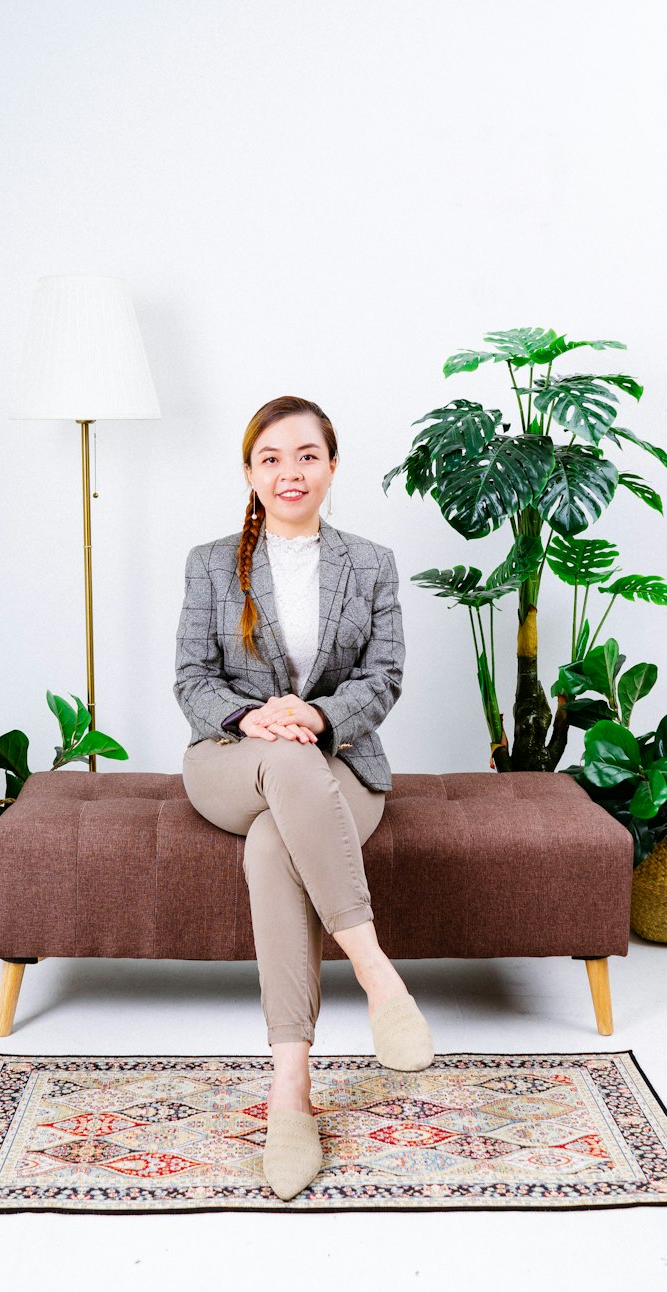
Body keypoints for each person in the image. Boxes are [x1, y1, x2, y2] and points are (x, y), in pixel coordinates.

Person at [173, 394, 434, 1201]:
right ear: (250, 472)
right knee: (279, 765)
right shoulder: (211, 562)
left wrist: (315, 715)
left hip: (342, 767)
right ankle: (377, 972)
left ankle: (290, 1089)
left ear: (331, 464)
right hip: (228, 760)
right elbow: (191, 680)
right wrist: (255, 716)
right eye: (271, 458)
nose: (291, 472)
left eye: (307, 455)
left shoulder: (373, 562)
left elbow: (383, 678)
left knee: (274, 840)